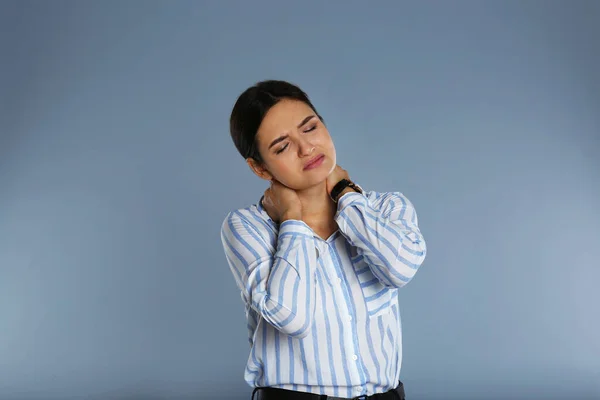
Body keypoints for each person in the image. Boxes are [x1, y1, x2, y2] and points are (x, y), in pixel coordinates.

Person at [220, 80, 426, 400]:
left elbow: (400, 269)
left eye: (310, 127)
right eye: (282, 146)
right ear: (259, 168)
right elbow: (291, 317)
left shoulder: (386, 208)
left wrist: (346, 194)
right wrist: (293, 218)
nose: (307, 148)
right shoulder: (248, 227)